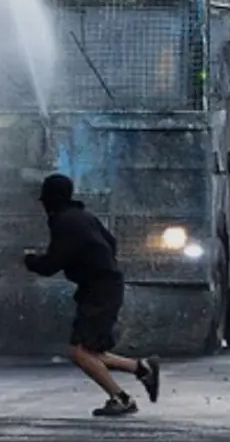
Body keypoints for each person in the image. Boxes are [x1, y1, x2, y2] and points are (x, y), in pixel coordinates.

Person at [24, 173, 160, 418]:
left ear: (51, 199)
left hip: (100, 289)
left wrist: (30, 261)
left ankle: (121, 398)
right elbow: (111, 242)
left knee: (80, 352)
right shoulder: (84, 217)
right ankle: (142, 368)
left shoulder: (64, 222)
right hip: (102, 285)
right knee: (91, 351)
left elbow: (52, 263)